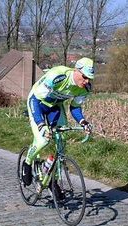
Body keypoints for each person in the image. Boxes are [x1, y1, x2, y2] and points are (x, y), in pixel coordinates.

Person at [22, 57, 94, 187]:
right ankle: (27, 163)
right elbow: (35, 100)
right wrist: (41, 124)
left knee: (61, 143)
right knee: (43, 140)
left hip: (55, 106)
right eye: (84, 77)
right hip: (37, 103)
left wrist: (83, 122)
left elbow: (75, 107)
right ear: (76, 71)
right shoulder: (58, 76)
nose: (86, 81)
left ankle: (53, 181)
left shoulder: (84, 88)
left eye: (89, 78)